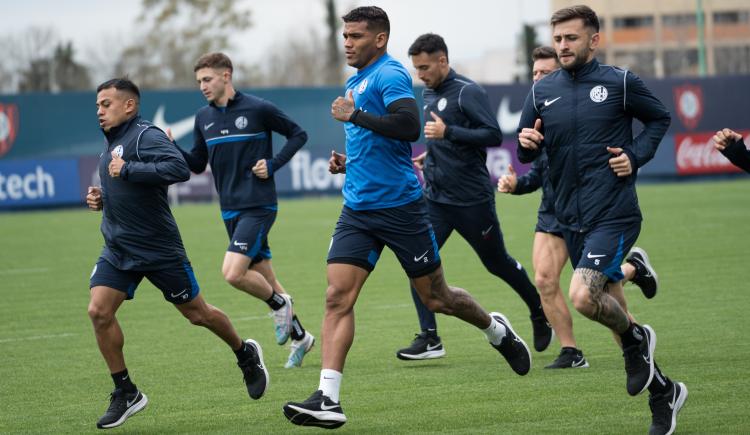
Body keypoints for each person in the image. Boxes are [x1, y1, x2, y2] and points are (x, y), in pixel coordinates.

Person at [282, 6, 532, 429]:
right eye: (345, 35)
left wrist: (354, 115)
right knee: (336, 297)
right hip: (357, 209)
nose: (348, 42)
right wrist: (349, 163)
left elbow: (407, 125)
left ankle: (496, 329)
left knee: (438, 298)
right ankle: (328, 397)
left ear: (379, 39)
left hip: (401, 208)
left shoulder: (391, 74)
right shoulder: (356, 80)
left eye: (357, 36)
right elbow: (377, 140)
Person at [516, 6, 686, 434]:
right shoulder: (541, 91)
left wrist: (635, 155)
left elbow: (659, 118)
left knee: (583, 297)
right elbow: (526, 150)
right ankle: (664, 392)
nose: (563, 46)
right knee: (610, 309)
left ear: (594, 40)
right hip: (568, 218)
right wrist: (528, 144)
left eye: (571, 38)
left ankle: (636, 339)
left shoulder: (620, 83)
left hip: (613, 212)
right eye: (558, 39)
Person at [86, 78, 268, 429]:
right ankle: (126, 392)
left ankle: (244, 353)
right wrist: (101, 198)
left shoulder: (145, 135)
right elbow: (125, 188)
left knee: (198, 314)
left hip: (159, 250)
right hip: (118, 249)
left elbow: (179, 169)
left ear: (129, 106)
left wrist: (129, 170)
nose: (100, 111)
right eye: (97, 105)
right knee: (98, 311)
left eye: (106, 104)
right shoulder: (112, 144)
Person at [497, 46, 659, 369]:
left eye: (546, 72)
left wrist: (632, 157)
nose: (539, 79)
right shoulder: (540, 106)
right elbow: (537, 169)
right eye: (535, 74)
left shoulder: (585, 102)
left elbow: (652, 122)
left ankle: (635, 328)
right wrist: (518, 182)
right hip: (554, 211)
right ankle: (571, 351)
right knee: (544, 279)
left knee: (601, 290)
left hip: (597, 210)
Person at [394, 33, 552, 362]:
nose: (420, 74)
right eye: (416, 69)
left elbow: (492, 134)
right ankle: (430, 338)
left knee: (497, 263)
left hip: (471, 201)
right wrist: (432, 154)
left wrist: (448, 133)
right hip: (436, 199)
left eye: (424, 67)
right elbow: (444, 138)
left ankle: (538, 311)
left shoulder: (468, 91)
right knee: (417, 263)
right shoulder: (428, 93)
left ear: (442, 60)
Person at [172, 53, 314, 368]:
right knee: (265, 277)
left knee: (233, 273)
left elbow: (298, 134)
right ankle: (301, 337)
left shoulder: (258, 109)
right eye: (198, 82)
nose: (202, 86)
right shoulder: (202, 117)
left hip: (259, 205)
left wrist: (274, 164)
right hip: (229, 210)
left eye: (207, 79)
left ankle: (280, 305)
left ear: (226, 75)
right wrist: (174, 148)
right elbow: (197, 164)